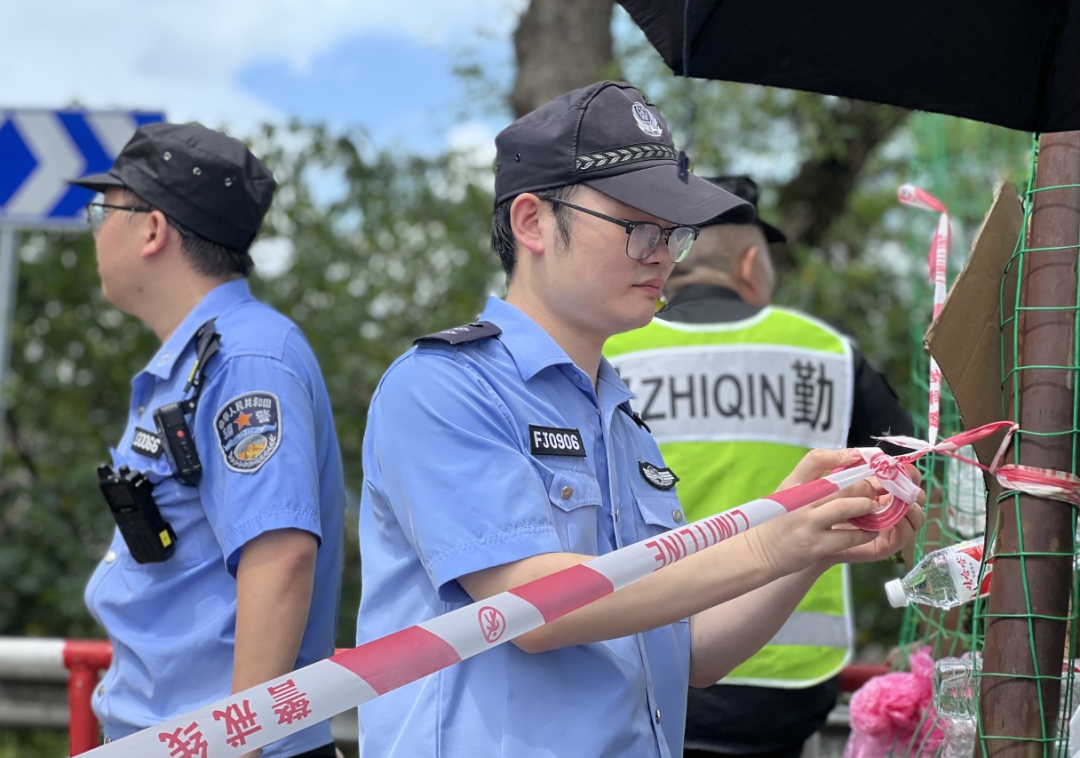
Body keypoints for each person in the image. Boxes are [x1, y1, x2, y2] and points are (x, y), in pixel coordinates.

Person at [356, 81, 923, 758]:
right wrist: (774, 541)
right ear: (532, 222)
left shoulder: (619, 413)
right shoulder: (443, 387)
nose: (661, 253)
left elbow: (693, 653)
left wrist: (806, 535)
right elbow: (527, 604)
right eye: (636, 227)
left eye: (673, 232)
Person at [604, 174, 915, 758]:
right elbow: (916, 473)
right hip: (787, 686)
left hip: (640, 666)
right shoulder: (824, 352)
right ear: (751, 264)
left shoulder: (607, 351)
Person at [71, 123, 346, 758]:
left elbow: (279, 558)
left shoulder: (244, 359)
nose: (99, 231)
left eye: (104, 210)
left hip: (216, 747)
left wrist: (238, 744)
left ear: (151, 229)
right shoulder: (202, 359)